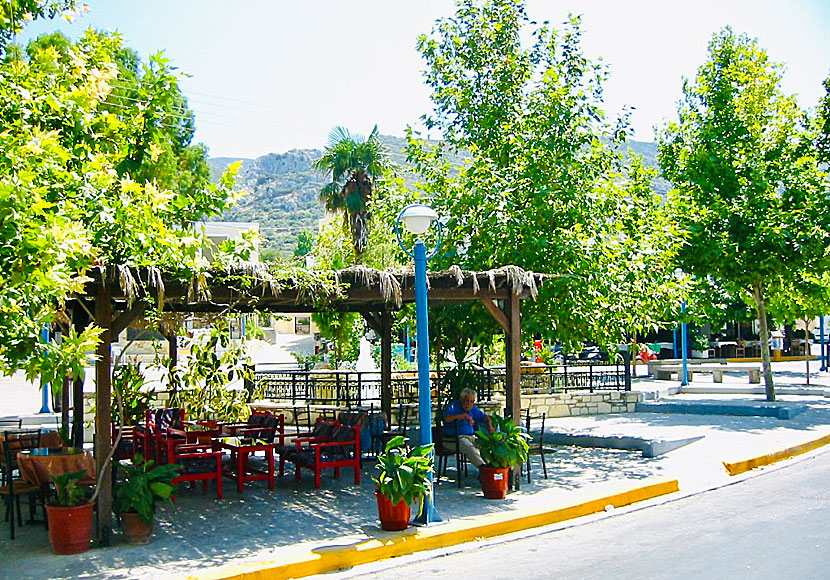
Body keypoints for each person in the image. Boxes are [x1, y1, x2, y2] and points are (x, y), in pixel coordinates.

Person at [443, 387, 494, 468]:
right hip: (453, 439)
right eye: (466, 400)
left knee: (484, 446)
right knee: (470, 448)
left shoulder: (473, 409)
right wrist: (462, 416)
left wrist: (490, 425)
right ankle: (483, 468)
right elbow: (447, 418)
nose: (469, 403)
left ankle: (491, 467)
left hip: (470, 437)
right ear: (461, 399)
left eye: (472, 401)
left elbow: (486, 418)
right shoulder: (453, 406)